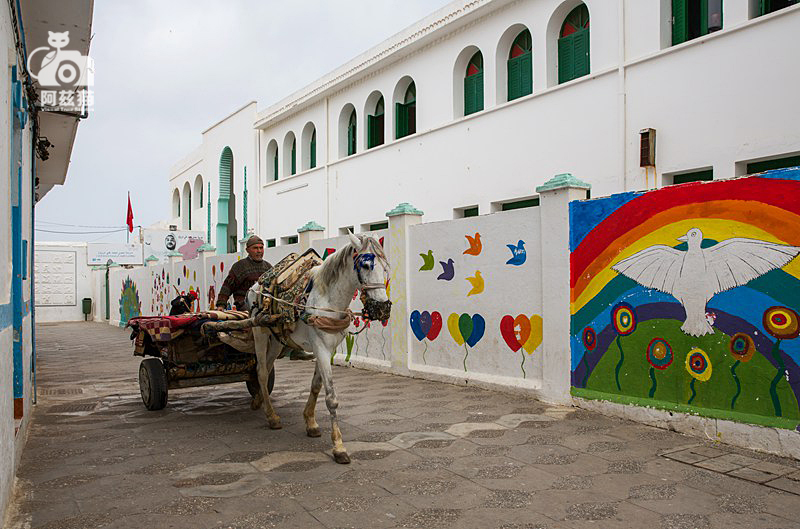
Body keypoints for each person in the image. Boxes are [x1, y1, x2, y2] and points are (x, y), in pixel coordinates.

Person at [215, 235, 313, 361]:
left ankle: (294, 349)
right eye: (255, 248)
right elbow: (227, 286)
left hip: (266, 305)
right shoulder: (239, 267)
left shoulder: (268, 267)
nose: (259, 251)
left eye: (261, 248)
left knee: (290, 315)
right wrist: (221, 305)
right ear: (248, 250)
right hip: (245, 305)